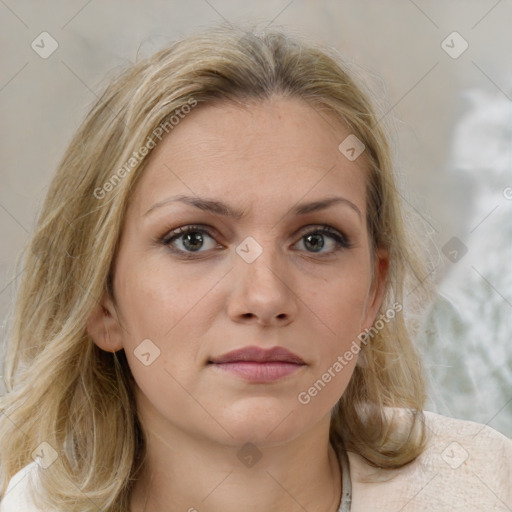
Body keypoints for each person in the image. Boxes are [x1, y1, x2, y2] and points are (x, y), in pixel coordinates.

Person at [0, 23, 510, 512]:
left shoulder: (485, 487)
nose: (264, 299)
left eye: (316, 240)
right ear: (101, 300)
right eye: (193, 240)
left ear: (374, 291)